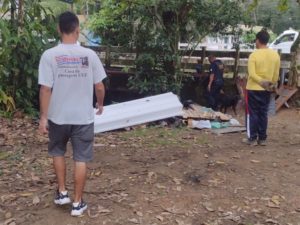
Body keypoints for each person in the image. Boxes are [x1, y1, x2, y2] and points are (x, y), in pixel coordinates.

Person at [38, 11, 106, 216]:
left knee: (57, 151)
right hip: (82, 118)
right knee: (81, 158)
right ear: (78, 30)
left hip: (58, 116)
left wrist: (43, 117)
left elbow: (45, 89)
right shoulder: (89, 55)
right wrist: (100, 103)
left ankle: (62, 192)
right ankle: (77, 204)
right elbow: (100, 86)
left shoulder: (49, 55)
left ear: (59, 29)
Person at [245, 29, 280, 146]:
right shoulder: (275, 55)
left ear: (258, 40)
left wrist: (261, 81)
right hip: (267, 90)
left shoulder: (253, 55)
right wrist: (271, 84)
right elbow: (276, 75)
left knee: (253, 113)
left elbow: (252, 74)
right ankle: (263, 138)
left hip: (253, 88)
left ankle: (253, 138)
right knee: (263, 113)